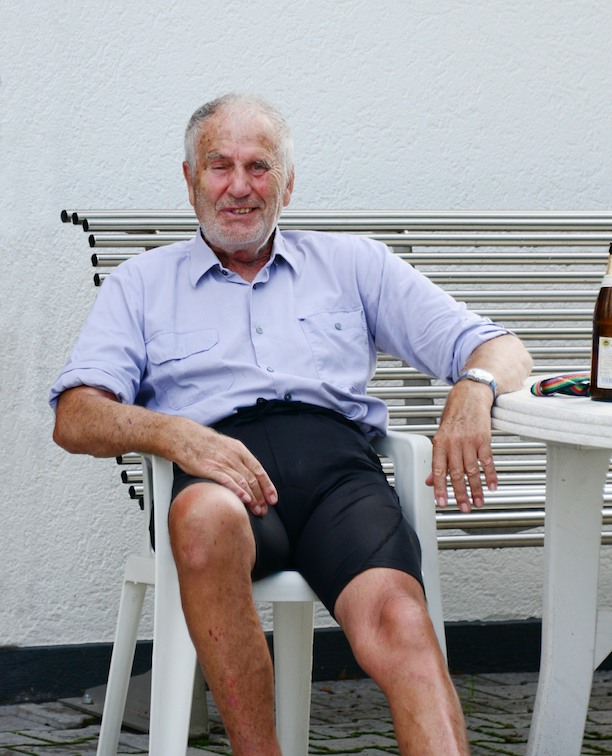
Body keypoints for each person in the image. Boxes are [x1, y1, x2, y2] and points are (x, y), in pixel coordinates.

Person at [50, 93, 532, 755]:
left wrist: (474, 388)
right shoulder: (141, 284)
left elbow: (500, 348)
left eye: (259, 166)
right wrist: (173, 434)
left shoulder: (353, 264)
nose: (240, 186)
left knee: (396, 615)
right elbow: (75, 415)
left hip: (340, 481)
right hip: (221, 475)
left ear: (289, 182)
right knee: (204, 518)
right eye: (220, 166)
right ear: (190, 180)